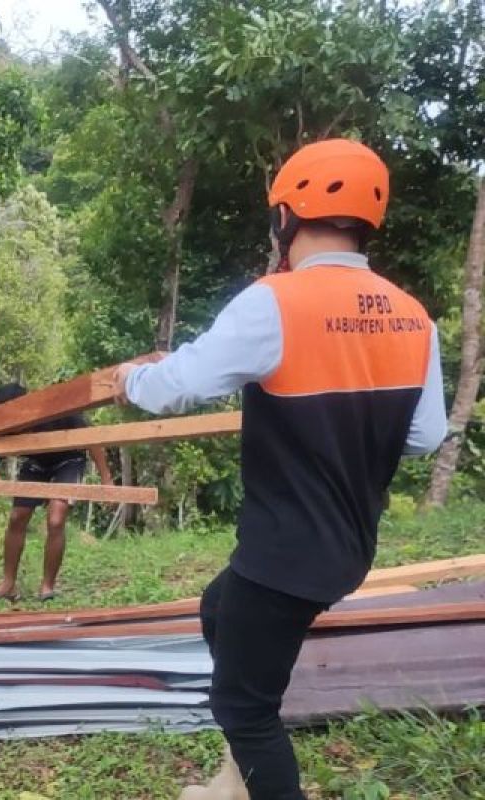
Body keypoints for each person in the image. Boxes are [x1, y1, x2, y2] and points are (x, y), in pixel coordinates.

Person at [113, 139, 447, 800]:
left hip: (282, 556)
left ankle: (257, 785)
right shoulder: (414, 318)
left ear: (285, 218)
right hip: (347, 546)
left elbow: (179, 385)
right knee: (217, 609)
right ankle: (237, 780)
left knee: (244, 710)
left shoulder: (276, 302)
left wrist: (131, 380)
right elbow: (425, 435)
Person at [0, 382, 114, 604]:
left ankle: (47, 586)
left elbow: (92, 439)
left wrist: (106, 479)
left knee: (56, 519)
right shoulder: (5, 422)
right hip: (36, 463)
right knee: (17, 517)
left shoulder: (56, 408)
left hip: (69, 460)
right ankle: (8, 583)